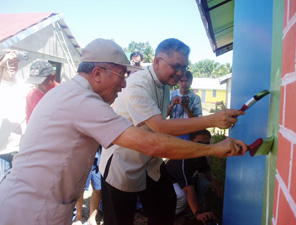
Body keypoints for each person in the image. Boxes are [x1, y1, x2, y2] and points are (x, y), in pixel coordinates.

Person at [0, 38, 247, 225]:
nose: (124, 83)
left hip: (37, 200)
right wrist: (213, 147)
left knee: (163, 205)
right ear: (97, 73)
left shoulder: (71, 93)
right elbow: (155, 138)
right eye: (121, 75)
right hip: (34, 209)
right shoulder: (84, 102)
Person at [99, 38, 246, 225]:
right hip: (123, 162)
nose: (180, 73)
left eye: (184, 67)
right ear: (157, 61)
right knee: (120, 220)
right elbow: (160, 126)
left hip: (149, 160)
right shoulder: (137, 84)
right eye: (176, 66)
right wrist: (213, 120)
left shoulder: (165, 84)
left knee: (165, 207)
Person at [166, 129, 222, 225]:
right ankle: (170, 213)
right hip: (167, 184)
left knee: (205, 184)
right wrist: (198, 213)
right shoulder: (184, 157)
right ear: (191, 141)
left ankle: (193, 205)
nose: (203, 146)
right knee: (182, 195)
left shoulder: (199, 153)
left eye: (206, 143)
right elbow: (188, 189)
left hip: (181, 181)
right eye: (200, 143)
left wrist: (213, 179)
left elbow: (206, 170)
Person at [0, 49, 29, 180]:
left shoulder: (25, 86)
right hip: (1, 151)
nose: (12, 65)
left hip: (20, 150)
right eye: (9, 62)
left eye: (15, 62)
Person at [168, 70, 202, 140]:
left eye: (186, 81)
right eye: (181, 81)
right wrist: (172, 105)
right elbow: (164, 115)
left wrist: (186, 107)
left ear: (191, 82)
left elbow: (198, 120)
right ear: (178, 82)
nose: (184, 84)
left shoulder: (196, 98)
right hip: (173, 131)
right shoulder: (171, 95)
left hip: (189, 132)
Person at [74, 146, 102, 225]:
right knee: (80, 188)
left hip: (99, 155)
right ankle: (78, 217)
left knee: (98, 189)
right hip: (83, 155)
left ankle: (92, 218)